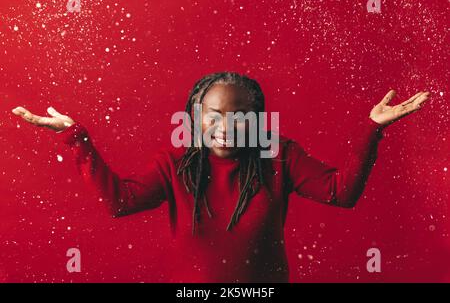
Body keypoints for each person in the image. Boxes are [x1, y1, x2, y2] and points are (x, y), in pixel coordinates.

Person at [12, 72, 430, 282]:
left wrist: (372, 128)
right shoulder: (176, 163)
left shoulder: (278, 155)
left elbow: (341, 193)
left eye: (241, 117)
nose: (226, 127)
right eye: (213, 116)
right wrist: (75, 137)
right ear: (196, 117)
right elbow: (121, 201)